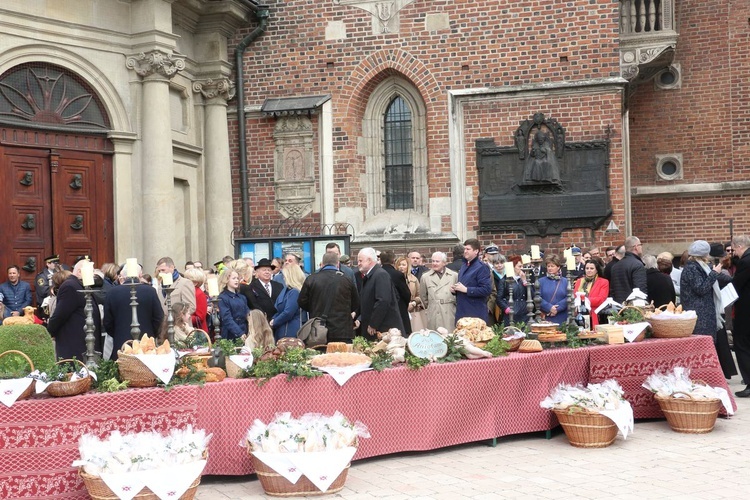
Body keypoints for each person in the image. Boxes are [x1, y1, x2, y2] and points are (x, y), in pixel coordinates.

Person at [103, 264, 164, 359]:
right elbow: (159, 318)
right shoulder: (150, 291)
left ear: (122, 276)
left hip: (121, 342)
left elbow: (107, 321)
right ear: (140, 275)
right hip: (146, 343)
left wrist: (117, 333)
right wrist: (151, 333)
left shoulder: (112, 293)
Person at [299, 251, 360, 343]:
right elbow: (356, 303)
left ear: (322, 264)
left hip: (318, 330)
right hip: (342, 330)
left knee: (320, 357)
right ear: (338, 264)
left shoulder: (311, 279)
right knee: (341, 357)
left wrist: (315, 308)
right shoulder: (347, 279)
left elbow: (301, 301)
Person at [47, 258, 102, 360]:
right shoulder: (70, 286)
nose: (94, 274)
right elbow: (60, 315)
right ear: (80, 272)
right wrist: (49, 332)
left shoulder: (82, 286)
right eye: (92, 270)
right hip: (75, 344)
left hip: (86, 343)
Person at [681, 240, 731, 338]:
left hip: (705, 314)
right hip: (699, 316)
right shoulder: (692, 268)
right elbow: (701, 289)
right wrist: (714, 273)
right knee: (703, 344)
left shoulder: (702, 266)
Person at [357, 247, 404, 339]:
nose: (358, 264)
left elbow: (383, 301)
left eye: (360, 261)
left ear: (369, 260)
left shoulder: (380, 275)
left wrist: (373, 324)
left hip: (383, 330)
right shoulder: (371, 276)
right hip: (376, 329)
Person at [453, 239, 492, 324]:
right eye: (464, 249)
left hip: (475, 314)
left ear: (476, 251)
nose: (465, 251)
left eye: (468, 249)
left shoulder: (482, 267)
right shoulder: (464, 266)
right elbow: (463, 287)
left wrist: (467, 290)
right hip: (462, 312)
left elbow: (486, 289)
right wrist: (455, 290)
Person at [419, 251, 458, 331]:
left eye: (437, 261)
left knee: (450, 337)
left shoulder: (454, 275)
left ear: (444, 263)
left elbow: (458, 295)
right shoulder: (425, 277)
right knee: (435, 337)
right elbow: (423, 297)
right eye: (433, 261)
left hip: (449, 311)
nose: (434, 263)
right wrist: (432, 305)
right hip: (434, 312)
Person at [731, 235, 750, 397]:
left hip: (745, 311)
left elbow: (736, 285)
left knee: (742, 345)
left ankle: (749, 383)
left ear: (738, 246)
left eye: (734, 249)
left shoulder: (745, 262)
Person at [270, 262, 308, 340]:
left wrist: (275, 321)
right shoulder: (287, 290)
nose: (283, 278)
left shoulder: (294, 292)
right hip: (284, 330)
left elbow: (288, 312)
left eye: (284, 276)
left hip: (291, 332)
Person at [380, 250, 412, 335]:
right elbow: (406, 294)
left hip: (381, 312)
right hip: (398, 310)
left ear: (381, 261)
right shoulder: (397, 275)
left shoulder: (377, 274)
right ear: (393, 261)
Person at [609, 236, 648, 303]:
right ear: (636, 247)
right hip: (633, 308)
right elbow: (640, 291)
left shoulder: (615, 266)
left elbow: (613, 291)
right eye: (640, 245)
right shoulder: (637, 265)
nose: (641, 247)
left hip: (619, 307)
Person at [573, 259, 609, 328]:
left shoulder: (604, 282)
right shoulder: (579, 281)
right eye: (587, 268)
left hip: (595, 314)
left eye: (592, 268)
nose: (589, 270)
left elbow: (602, 299)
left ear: (597, 270)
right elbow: (575, 296)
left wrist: (586, 300)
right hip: (580, 313)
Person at [218, 268, 250, 340]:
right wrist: (239, 333)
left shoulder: (242, 297)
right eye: (233, 278)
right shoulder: (222, 297)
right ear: (226, 280)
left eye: (237, 278)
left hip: (244, 330)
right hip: (230, 333)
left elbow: (248, 313)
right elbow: (227, 318)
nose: (236, 280)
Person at [538, 254, 568, 324]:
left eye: (552, 266)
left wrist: (557, 309)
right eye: (548, 266)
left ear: (558, 267)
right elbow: (537, 297)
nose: (550, 268)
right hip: (547, 316)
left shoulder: (565, 281)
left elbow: (569, 297)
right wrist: (549, 307)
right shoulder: (540, 281)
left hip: (562, 316)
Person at [486, 253, 510, 326]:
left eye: (501, 263)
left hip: (508, 304)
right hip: (496, 305)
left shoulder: (509, 275)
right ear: (493, 265)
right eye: (496, 263)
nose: (499, 265)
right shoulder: (491, 275)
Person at [508, 255, 531, 325]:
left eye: (522, 266)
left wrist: (524, 281)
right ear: (513, 267)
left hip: (524, 311)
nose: (521, 269)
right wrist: (506, 308)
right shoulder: (505, 280)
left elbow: (532, 295)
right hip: (512, 312)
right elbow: (500, 297)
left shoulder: (525, 278)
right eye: (519, 266)